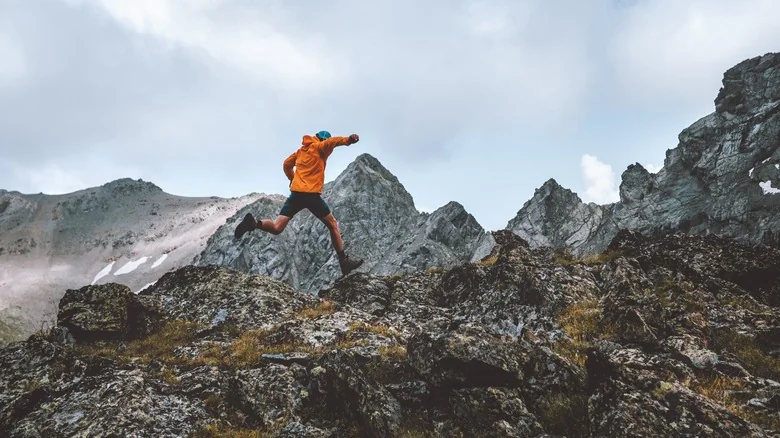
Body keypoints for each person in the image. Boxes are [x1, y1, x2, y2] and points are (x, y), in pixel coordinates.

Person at [234, 130, 364, 276]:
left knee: (277, 227)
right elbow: (332, 142)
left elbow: (286, 164)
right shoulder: (320, 147)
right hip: (311, 195)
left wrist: (293, 179)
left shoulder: (301, 151)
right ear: (322, 140)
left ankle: (254, 224)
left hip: (296, 194)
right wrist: (349, 140)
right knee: (332, 224)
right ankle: (344, 262)